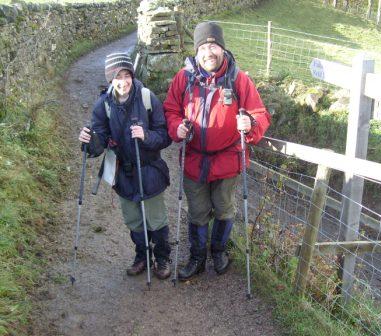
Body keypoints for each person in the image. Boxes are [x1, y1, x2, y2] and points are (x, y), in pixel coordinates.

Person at [163, 22, 271, 281]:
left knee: (224, 209)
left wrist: (251, 124)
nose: (208, 51)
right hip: (194, 159)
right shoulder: (184, 78)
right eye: (203, 46)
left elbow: (259, 113)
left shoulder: (238, 79)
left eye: (213, 45)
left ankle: (219, 251)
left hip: (228, 160)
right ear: (196, 50)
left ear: (222, 48)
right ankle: (198, 258)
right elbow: (170, 110)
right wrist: (177, 127)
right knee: (198, 211)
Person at [78, 52, 172, 279]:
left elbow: (165, 135)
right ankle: (142, 256)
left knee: (156, 219)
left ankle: (162, 258)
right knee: (134, 220)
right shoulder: (104, 104)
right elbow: (99, 141)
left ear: (132, 75)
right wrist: (88, 141)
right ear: (110, 79)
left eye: (126, 74)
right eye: (117, 76)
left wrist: (146, 136)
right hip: (123, 171)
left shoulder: (147, 98)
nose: (123, 81)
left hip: (150, 169)